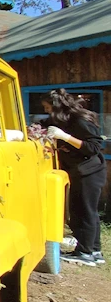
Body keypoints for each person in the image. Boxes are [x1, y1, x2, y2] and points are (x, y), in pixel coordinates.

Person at [43, 89, 107, 267]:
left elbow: (93, 147)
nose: (47, 111)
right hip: (82, 171)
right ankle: (94, 251)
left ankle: (85, 253)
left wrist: (65, 137)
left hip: (90, 172)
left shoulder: (79, 120)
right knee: (88, 212)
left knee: (83, 212)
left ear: (56, 107)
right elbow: (43, 125)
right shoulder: (63, 120)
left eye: (48, 108)